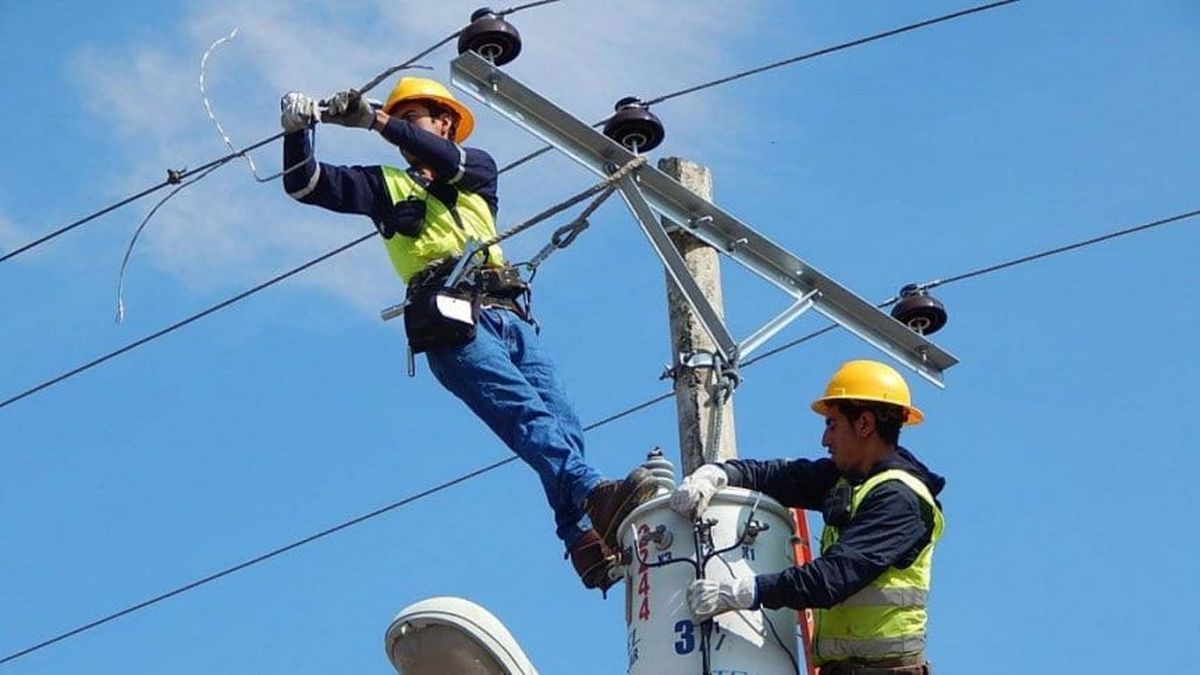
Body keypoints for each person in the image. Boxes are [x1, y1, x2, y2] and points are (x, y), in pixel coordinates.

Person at [278, 77, 655, 591]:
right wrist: (298, 131)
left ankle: (585, 541)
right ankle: (593, 497)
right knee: (527, 415)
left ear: (445, 123)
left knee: (563, 423)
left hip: (510, 317)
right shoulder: (386, 186)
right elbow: (305, 184)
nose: (407, 130)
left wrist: (374, 120)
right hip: (453, 321)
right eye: (402, 119)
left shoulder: (476, 170)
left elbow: (446, 161)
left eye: (416, 120)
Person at [670, 360, 945, 674]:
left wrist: (742, 592)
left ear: (865, 424)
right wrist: (718, 474)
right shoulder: (852, 480)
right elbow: (780, 476)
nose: (825, 440)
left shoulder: (899, 499)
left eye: (832, 425)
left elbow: (832, 577)